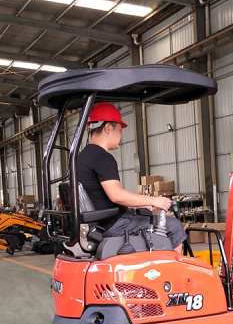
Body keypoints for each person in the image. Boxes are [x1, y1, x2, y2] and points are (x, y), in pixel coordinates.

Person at [76, 102, 186, 253]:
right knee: (174, 227)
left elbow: (99, 197)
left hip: (99, 224)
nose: (121, 136)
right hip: (114, 225)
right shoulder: (102, 158)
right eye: (120, 130)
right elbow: (116, 195)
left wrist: (136, 204)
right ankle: (169, 275)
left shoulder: (82, 157)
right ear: (108, 128)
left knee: (146, 215)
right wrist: (155, 200)